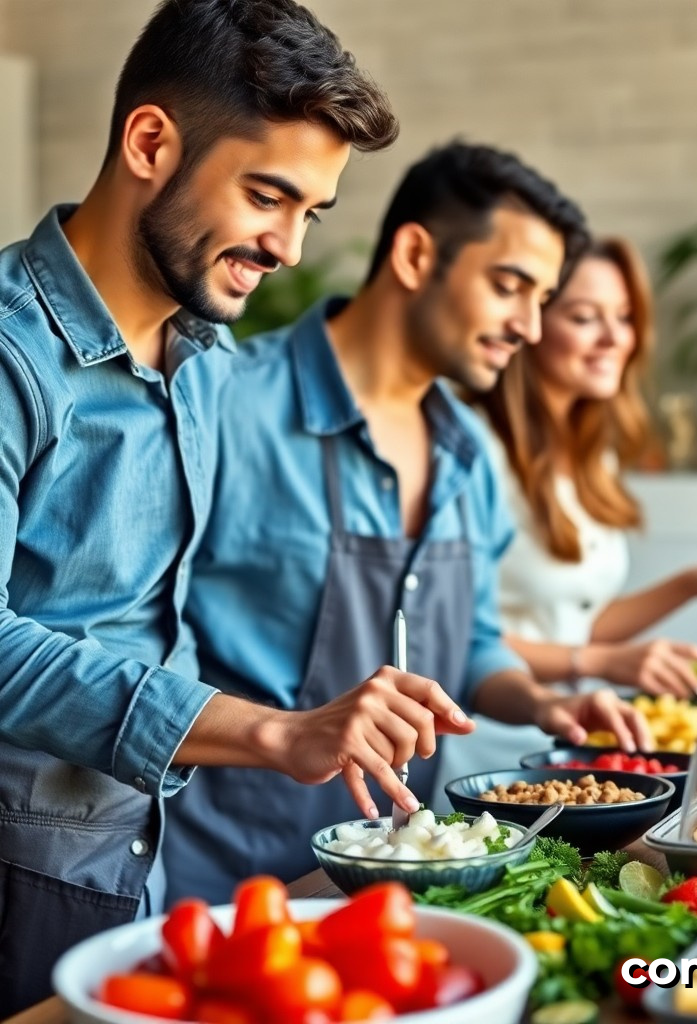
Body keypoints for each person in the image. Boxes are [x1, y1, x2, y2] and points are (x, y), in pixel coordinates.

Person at [0, 1, 451, 1013]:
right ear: (151, 142)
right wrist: (271, 733)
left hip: (143, 869)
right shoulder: (7, 358)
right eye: (267, 194)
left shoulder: (207, 365)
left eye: (312, 213)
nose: (289, 245)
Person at [165, 142, 655, 904]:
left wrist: (543, 704)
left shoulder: (469, 453)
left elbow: (474, 641)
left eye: (541, 297)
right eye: (510, 286)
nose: (529, 325)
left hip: (400, 879)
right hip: (222, 886)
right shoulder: (222, 400)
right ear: (417, 253)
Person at [434, 238, 697, 786]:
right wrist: (602, 662)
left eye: (625, 318)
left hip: (570, 746)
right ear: (530, 324)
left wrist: (691, 584)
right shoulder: (470, 449)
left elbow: (573, 620)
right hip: (483, 752)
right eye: (585, 318)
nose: (614, 338)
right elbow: (455, 636)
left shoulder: (588, 451)